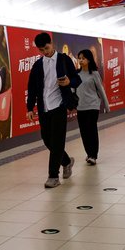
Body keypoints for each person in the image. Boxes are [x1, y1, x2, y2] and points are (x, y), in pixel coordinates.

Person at [26, 32, 81, 188]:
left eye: (47, 48)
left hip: (59, 106)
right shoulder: (37, 65)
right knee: (47, 139)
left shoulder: (64, 60)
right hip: (44, 107)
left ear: (52, 44)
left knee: (57, 141)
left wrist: (70, 81)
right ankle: (67, 161)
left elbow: (77, 79)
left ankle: (53, 176)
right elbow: (32, 88)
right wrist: (30, 107)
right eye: (41, 50)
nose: (45, 52)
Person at [75, 49, 110, 165]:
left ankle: (93, 155)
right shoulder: (76, 74)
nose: (80, 60)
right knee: (84, 132)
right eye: (79, 58)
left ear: (89, 59)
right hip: (80, 107)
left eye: (83, 58)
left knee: (91, 129)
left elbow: (101, 90)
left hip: (93, 106)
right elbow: (73, 89)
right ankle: (89, 153)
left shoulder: (94, 73)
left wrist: (106, 105)